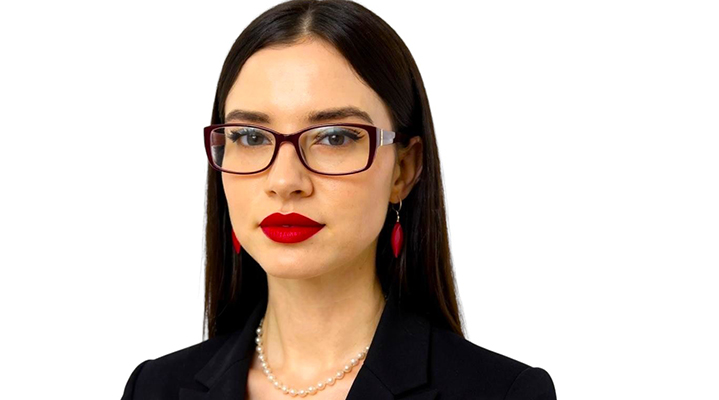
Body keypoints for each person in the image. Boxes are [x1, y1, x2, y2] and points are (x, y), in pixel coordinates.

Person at [121, 0, 556, 398]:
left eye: (334, 137)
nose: (284, 180)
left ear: (403, 169)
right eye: (250, 137)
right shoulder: (154, 389)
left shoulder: (502, 393)